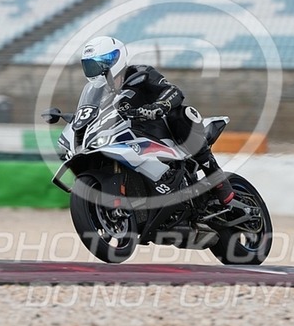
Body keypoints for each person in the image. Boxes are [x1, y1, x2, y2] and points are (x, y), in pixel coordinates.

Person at [80, 36, 235, 205]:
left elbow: (174, 92)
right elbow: (88, 112)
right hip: (125, 137)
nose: (95, 70)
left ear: (115, 58)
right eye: (90, 66)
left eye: (98, 64)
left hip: (159, 131)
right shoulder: (97, 93)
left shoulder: (141, 73)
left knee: (182, 113)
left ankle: (214, 174)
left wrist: (159, 106)